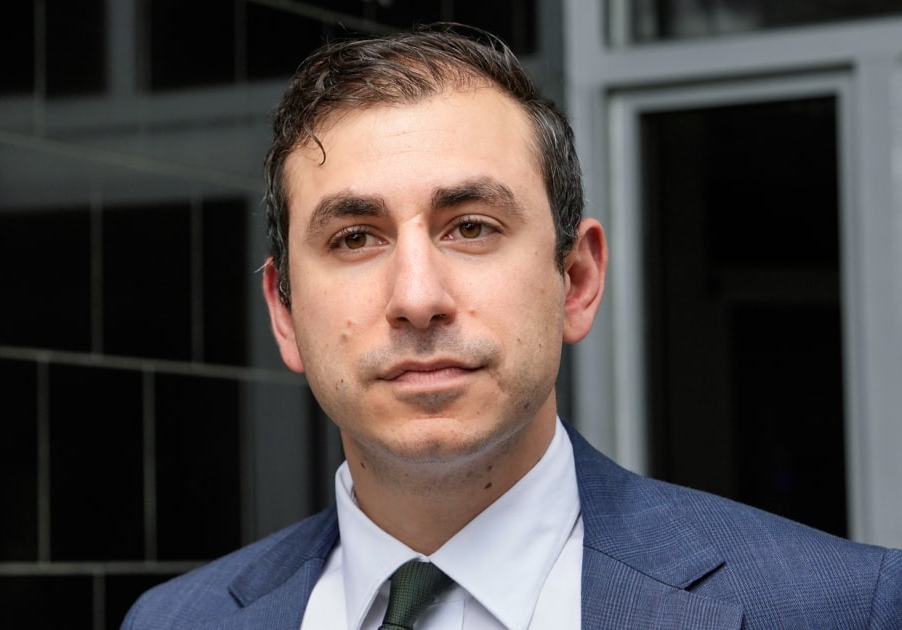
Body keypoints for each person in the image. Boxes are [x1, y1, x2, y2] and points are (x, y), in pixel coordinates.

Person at [122, 23, 901, 629]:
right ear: (285, 312)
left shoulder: (839, 607)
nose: (417, 297)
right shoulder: (174, 621)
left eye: (471, 227)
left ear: (577, 281)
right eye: (355, 238)